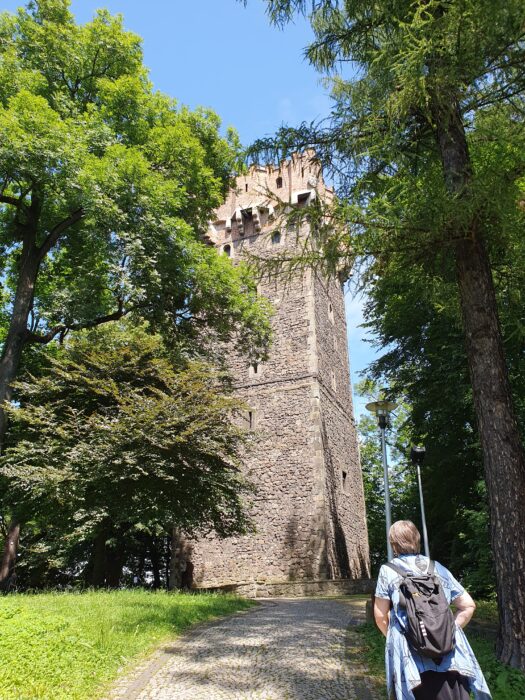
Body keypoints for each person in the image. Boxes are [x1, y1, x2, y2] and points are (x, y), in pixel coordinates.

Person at [374, 520, 492, 700]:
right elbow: (468, 605)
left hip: (413, 665)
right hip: (450, 660)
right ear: (417, 540)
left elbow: (380, 616)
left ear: (394, 544)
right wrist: (447, 630)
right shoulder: (437, 568)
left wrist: (404, 636)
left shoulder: (388, 571)